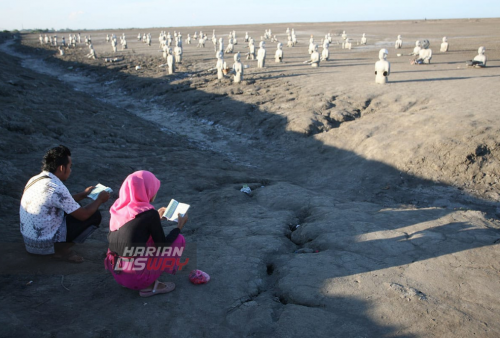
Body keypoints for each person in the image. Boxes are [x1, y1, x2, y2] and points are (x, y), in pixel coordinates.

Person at [104, 171, 187, 297]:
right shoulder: (149, 214)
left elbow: (132, 230)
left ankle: (131, 280)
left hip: (117, 272)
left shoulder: (117, 208)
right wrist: (179, 227)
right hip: (136, 279)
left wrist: (155, 219)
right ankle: (150, 286)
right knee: (178, 239)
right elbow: (162, 246)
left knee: (145, 241)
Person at [20, 145, 109, 262]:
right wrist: (99, 200)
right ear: (62, 168)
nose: (70, 170)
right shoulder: (56, 187)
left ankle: (57, 247)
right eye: (70, 167)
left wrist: (83, 194)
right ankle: (61, 251)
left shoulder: (35, 179)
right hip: (45, 246)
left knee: (75, 208)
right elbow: (84, 215)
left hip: (30, 242)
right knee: (94, 215)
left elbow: (61, 202)